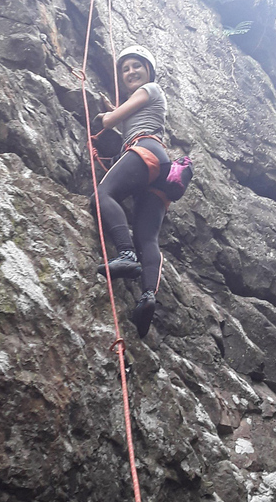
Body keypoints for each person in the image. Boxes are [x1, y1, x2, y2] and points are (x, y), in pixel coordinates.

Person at [92, 45, 170, 339]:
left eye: (136, 66)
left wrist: (100, 118)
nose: (130, 72)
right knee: (147, 236)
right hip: (161, 166)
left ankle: (125, 254)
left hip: (145, 149)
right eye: (125, 69)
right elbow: (122, 114)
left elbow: (110, 120)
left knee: (101, 196)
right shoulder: (145, 101)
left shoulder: (151, 89)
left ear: (148, 70)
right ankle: (147, 296)